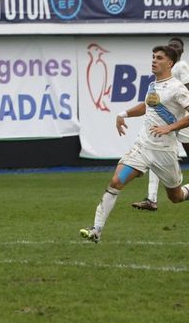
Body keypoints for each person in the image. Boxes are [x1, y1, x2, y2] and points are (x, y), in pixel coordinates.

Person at [81, 45, 189, 243]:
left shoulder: (177, 88)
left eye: (159, 58)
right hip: (142, 148)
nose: (154, 60)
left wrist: (170, 127)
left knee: (176, 196)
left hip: (165, 153)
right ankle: (96, 229)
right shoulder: (153, 85)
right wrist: (123, 114)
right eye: (153, 57)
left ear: (169, 63)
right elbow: (147, 106)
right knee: (116, 181)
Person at [132, 38, 189, 211]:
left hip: (181, 118)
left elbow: (186, 88)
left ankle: (152, 199)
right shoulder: (164, 72)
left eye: (176, 46)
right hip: (170, 118)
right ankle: (151, 198)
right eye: (171, 45)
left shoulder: (181, 66)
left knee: (159, 152)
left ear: (182, 50)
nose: (173, 48)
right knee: (155, 152)